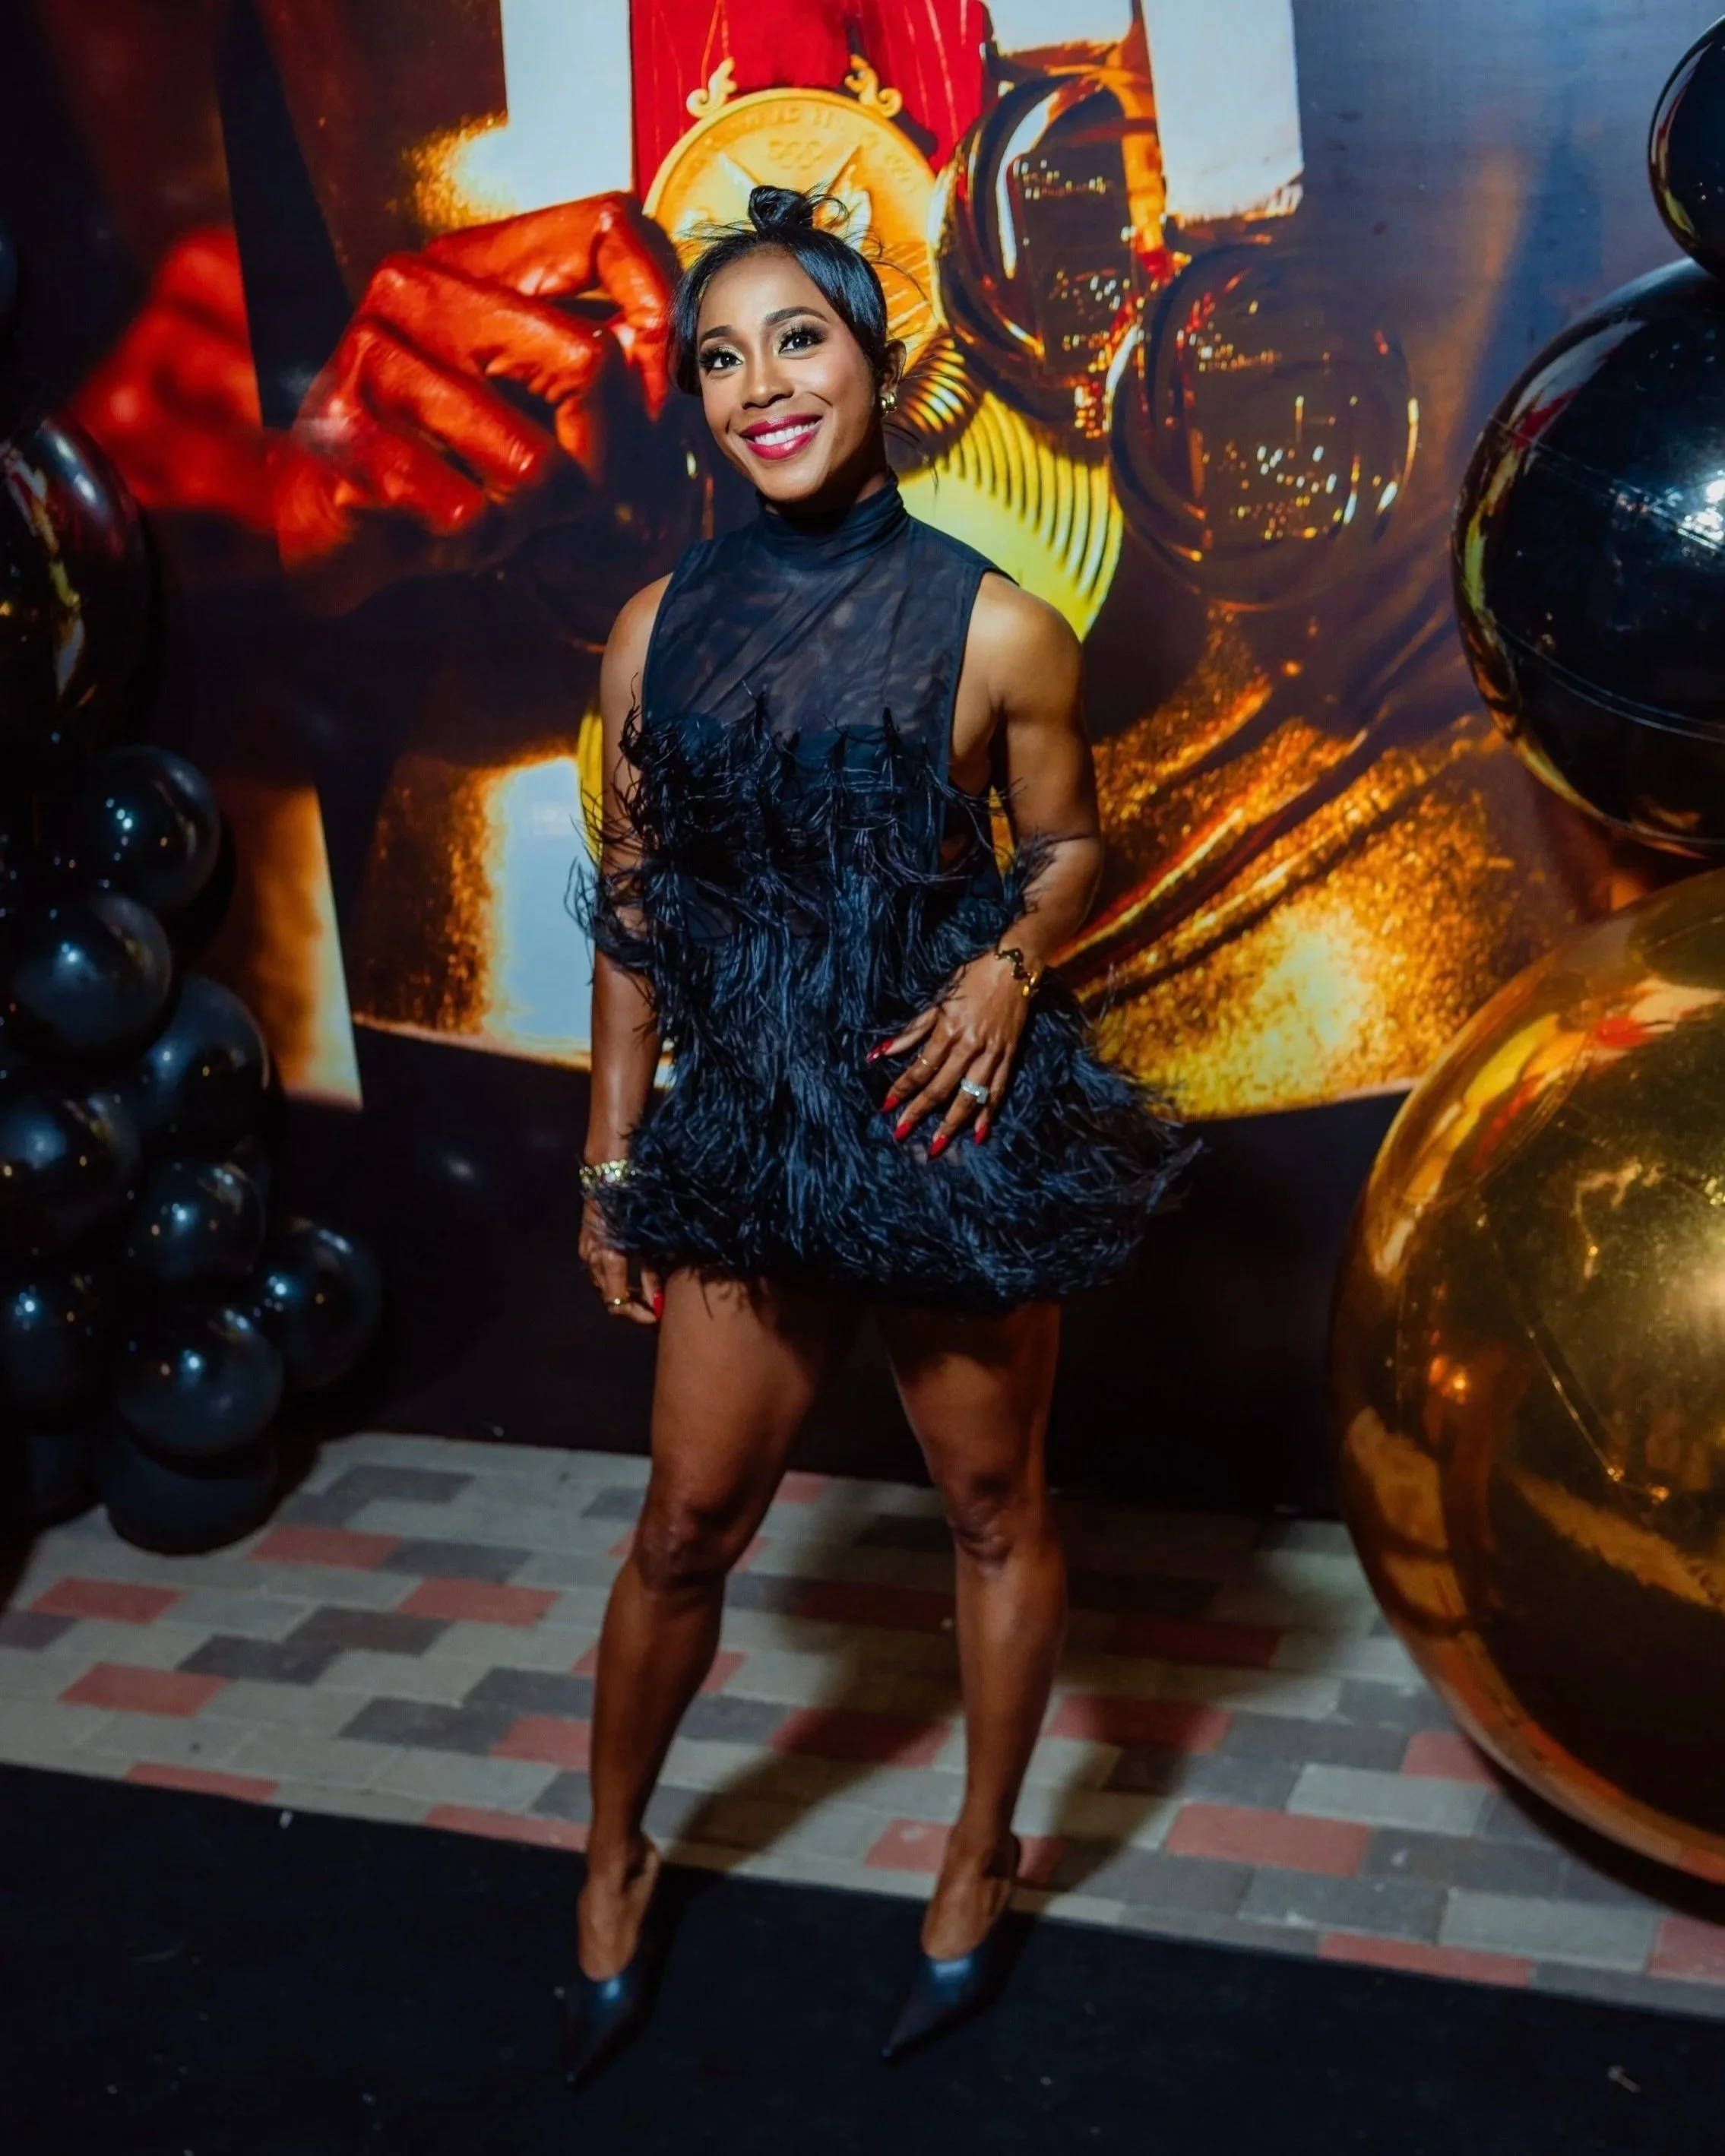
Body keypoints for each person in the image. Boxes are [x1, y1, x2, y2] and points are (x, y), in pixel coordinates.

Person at [571, 183, 1188, 2082]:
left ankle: (983, 1851)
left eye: (799, 339)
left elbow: (1070, 844)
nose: (761, 386)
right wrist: (611, 1157)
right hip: (745, 1125)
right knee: (684, 1525)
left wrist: (1007, 966)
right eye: (720, 357)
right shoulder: (651, 630)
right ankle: (611, 1853)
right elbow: (636, 906)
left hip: (939, 1108)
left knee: (994, 1509)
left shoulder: (1001, 624)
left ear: (877, 360)